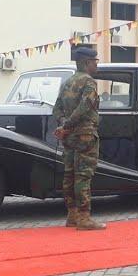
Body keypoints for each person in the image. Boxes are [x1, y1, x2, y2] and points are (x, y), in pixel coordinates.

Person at [52, 47, 106, 231]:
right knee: (83, 175)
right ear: (86, 63)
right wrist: (66, 126)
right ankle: (84, 218)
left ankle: (72, 215)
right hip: (85, 135)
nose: (96, 65)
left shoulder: (68, 83)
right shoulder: (89, 82)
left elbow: (57, 109)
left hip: (69, 137)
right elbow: (85, 107)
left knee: (69, 174)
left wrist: (63, 125)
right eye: (94, 62)